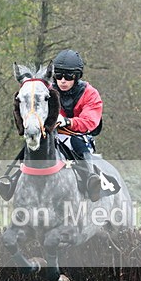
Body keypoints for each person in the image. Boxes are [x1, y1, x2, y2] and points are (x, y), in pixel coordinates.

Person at [51, 49, 104, 201]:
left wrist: (68, 122)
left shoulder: (90, 93)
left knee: (77, 141)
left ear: (77, 76)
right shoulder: (48, 91)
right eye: (58, 75)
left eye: (68, 76)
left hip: (78, 135)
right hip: (52, 134)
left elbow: (89, 121)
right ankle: (13, 177)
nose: (62, 80)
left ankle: (91, 178)